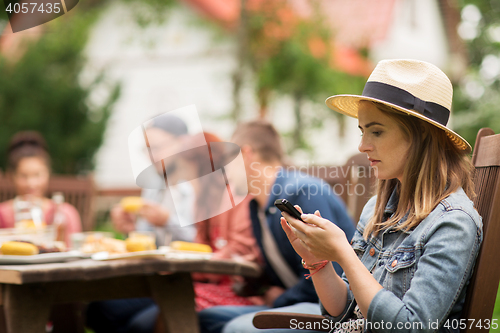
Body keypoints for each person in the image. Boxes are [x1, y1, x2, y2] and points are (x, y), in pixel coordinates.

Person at [280, 59, 482, 332]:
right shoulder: (377, 208)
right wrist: (319, 262)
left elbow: (411, 327)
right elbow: (347, 312)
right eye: (363, 131)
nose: (362, 146)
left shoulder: (453, 223)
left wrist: (344, 253)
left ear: (421, 134)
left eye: (376, 131)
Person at [198, 120, 355, 333]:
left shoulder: (301, 191)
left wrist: (279, 298)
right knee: (207, 318)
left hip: (333, 306)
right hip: (296, 301)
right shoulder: (256, 206)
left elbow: (331, 271)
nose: (225, 172)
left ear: (246, 154)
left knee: (237, 329)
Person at [86, 114, 197, 333]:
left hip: (184, 283)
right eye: (148, 149)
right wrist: (131, 230)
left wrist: (167, 221)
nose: (152, 156)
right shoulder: (153, 186)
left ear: (183, 144)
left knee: (120, 317)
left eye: (157, 147)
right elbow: (148, 243)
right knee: (95, 309)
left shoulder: (197, 187)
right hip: (153, 279)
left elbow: (201, 242)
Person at [0, 131, 82, 246]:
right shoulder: (2, 214)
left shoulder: (64, 214)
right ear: (11, 176)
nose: (31, 184)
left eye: (37, 175)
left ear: (48, 174)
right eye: (23, 176)